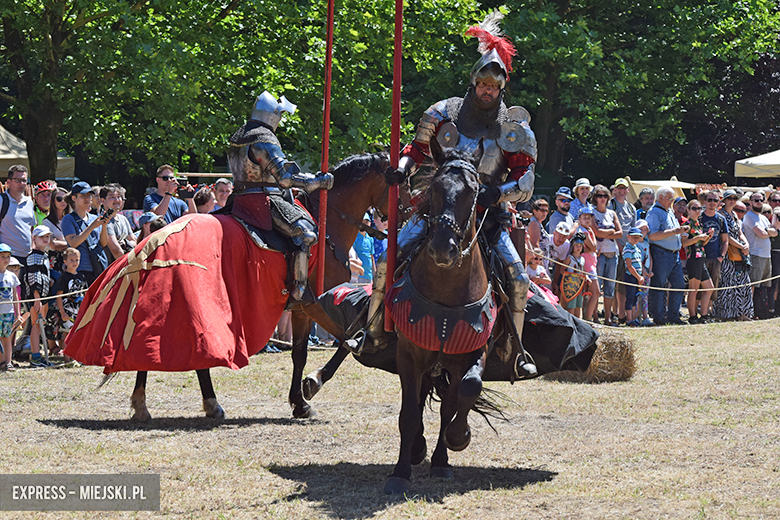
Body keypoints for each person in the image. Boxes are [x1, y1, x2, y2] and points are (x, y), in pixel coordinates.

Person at [368, 12, 538, 378]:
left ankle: (514, 348)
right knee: (387, 260)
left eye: (494, 86)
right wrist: (401, 168)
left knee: (519, 278)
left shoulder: (513, 128)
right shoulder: (443, 114)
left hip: (487, 218)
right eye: (482, 84)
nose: (487, 91)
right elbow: (415, 151)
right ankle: (375, 329)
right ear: (473, 83)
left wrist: (498, 193)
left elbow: (526, 181)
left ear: (502, 88)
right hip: (437, 209)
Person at [226, 90, 333, 301]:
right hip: (264, 200)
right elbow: (284, 179)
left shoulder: (239, 135)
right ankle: (297, 292)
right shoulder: (264, 139)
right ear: (272, 115)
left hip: (237, 199)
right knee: (306, 234)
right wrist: (319, 181)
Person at [646, 186, 689, 325]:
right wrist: (674, 231)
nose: (672, 201)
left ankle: (673, 316)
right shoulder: (654, 212)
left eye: (672, 198)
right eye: (670, 198)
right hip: (661, 252)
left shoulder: (668, 210)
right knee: (659, 286)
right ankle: (658, 317)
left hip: (674, 254)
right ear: (660, 198)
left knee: (679, 285)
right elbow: (652, 235)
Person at [61, 182, 113, 284]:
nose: (87, 199)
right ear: (74, 198)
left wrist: (103, 225)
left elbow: (103, 243)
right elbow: (73, 243)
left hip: (98, 267)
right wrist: (92, 226)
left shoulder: (94, 218)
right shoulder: (68, 219)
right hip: (80, 269)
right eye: (83, 196)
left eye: (89, 195)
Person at [713, 194, 753, 321]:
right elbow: (725, 237)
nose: (732, 201)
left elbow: (740, 233)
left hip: (738, 253)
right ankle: (726, 314)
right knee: (727, 284)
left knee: (742, 282)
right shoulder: (721, 215)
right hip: (726, 254)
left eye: (734, 199)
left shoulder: (734, 215)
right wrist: (741, 246)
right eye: (729, 198)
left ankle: (742, 313)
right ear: (724, 200)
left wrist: (746, 244)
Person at [742, 190, 778, 318]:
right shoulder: (749, 216)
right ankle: (748, 312)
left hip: (766, 256)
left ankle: (760, 311)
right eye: (756, 200)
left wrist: (767, 231)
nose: (758, 202)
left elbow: (775, 232)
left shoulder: (762, 217)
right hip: (755, 255)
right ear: (751, 202)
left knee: (763, 286)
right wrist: (768, 231)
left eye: (761, 200)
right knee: (752, 286)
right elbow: (762, 233)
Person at [592, 184, 622, 325]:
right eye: (599, 196)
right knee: (596, 287)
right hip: (599, 254)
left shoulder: (612, 213)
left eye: (605, 196)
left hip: (612, 254)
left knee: (610, 287)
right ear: (595, 198)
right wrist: (611, 232)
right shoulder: (592, 213)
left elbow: (621, 233)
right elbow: (596, 232)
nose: (602, 198)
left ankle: (608, 317)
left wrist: (606, 233)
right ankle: (595, 317)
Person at [608, 178, 637, 324]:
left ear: (627, 190)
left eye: (623, 188)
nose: (621, 191)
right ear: (614, 190)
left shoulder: (631, 208)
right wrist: (619, 246)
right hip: (614, 248)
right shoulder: (610, 205)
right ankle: (613, 313)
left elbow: (633, 230)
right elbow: (609, 226)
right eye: (618, 188)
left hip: (628, 251)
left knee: (623, 284)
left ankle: (620, 314)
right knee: (613, 283)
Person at [682, 199, 715, 324]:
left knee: (709, 288)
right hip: (693, 259)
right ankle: (692, 316)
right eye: (694, 208)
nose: (697, 211)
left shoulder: (698, 224)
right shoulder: (688, 224)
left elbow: (702, 243)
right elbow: (684, 243)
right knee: (693, 289)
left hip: (701, 258)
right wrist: (698, 237)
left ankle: (704, 314)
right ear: (688, 210)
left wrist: (707, 237)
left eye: (699, 208)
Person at [25, 226, 53, 367]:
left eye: (47, 236)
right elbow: (33, 276)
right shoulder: (33, 256)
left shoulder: (44, 255)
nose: (45, 239)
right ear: (34, 238)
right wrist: (37, 297)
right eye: (42, 236)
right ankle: (35, 357)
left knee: (39, 325)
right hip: (37, 298)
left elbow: (42, 275)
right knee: (36, 325)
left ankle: (39, 356)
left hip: (44, 296)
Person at [53, 248, 89, 353]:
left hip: (80, 309)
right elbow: (59, 296)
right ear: (65, 261)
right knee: (67, 332)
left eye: (76, 260)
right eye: (71, 260)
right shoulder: (63, 278)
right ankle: (67, 357)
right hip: (67, 309)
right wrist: (62, 312)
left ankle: (78, 354)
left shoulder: (81, 276)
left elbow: (85, 294)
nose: (74, 262)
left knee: (80, 332)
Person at [700, 190, 729, 315]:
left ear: (719, 202)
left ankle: (707, 313)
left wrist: (721, 256)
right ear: (705, 201)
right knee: (699, 289)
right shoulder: (699, 217)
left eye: (715, 200)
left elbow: (725, 240)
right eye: (710, 200)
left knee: (713, 288)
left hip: (716, 258)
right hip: (701, 258)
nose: (712, 203)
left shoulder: (721, 219)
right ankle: (695, 314)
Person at [0, 165, 36, 265]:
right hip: (8, 258)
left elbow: (31, 227)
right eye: (17, 180)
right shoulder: (1, 201)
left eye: (24, 180)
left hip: (28, 258)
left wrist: (33, 247)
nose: (21, 183)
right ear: (8, 182)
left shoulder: (29, 201)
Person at [575, 206, 600, 322]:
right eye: (584, 217)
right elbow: (594, 247)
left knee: (588, 294)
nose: (587, 220)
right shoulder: (584, 231)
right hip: (587, 265)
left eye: (589, 217)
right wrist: (592, 235)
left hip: (589, 263)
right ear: (579, 218)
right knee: (595, 292)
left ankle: (587, 318)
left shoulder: (586, 230)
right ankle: (588, 319)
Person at [100, 183, 137, 262]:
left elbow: (135, 241)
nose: (117, 200)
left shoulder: (123, 219)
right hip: (112, 267)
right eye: (112, 197)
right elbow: (116, 251)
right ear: (103, 200)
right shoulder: (104, 221)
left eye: (119, 197)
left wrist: (125, 243)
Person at [0, 244, 21, 372]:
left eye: (8, 256)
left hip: (8, 313)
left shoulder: (11, 276)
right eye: (2, 256)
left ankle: (8, 362)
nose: (6, 259)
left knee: (7, 337)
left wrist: (18, 314)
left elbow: (15, 297)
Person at [622, 227, 646, 327]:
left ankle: (634, 318)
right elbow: (629, 265)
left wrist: (642, 276)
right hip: (630, 276)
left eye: (638, 237)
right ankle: (629, 319)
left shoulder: (637, 249)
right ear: (628, 237)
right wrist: (638, 277)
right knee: (630, 297)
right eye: (634, 237)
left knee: (635, 298)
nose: (636, 239)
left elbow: (640, 263)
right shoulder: (627, 248)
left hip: (637, 277)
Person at [634, 220, 654, 326]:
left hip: (647, 272)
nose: (643, 231)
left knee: (645, 295)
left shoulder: (646, 243)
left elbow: (649, 257)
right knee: (638, 295)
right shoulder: (635, 245)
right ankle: (637, 316)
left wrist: (650, 270)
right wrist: (643, 272)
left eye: (644, 229)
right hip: (639, 273)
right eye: (640, 229)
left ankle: (645, 316)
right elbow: (638, 259)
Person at [563, 233, 587, 318]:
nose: (578, 247)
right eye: (576, 245)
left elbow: (583, 271)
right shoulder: (569, 258)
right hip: (571, 286)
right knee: (571, 306)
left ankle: (578, 323)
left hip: (579, 284)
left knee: (578, 305)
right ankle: (571, 323)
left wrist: (587, 277)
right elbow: (562, 270)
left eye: (580, 246)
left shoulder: (582, 259)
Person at [527, 198, 552, 271]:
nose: (545, 213)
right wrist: (540, 265)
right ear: (534, 211)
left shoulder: (538, 223)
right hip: (537, 264)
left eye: (546, 210)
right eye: (542, 210)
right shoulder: (534, 223)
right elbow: (535, 245)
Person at [352, 212, 375, 284]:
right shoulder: (354, 238)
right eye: (362, 222)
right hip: (358, 276)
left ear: (370, 224)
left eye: (366, 222)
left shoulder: (370, 239)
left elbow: (371, 257)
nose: (364, 224)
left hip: (369, 275)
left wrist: (375, 274)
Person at [769, 190, 780, 316]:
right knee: (774, 282)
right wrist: (775, 215)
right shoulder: (768, 215)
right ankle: (771, 308)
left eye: (779, 201)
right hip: (773, 252)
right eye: (775, 201)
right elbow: (774, 229)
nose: (777, 203)